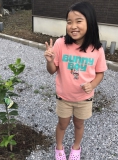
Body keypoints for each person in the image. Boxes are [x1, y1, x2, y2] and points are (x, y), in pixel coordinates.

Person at [44, 1, 107, 160]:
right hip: (64, 97)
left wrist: (92, 85)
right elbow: (52, 71)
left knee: (79, 124)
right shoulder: (60, 44)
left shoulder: (96, 49)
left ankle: (76, 148)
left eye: (78, 21)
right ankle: (59, 148)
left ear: (89, 22)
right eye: (69, 22)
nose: (73, 26)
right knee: (63, 124)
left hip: (84, 99)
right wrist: (50, 60)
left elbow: (100, 73)